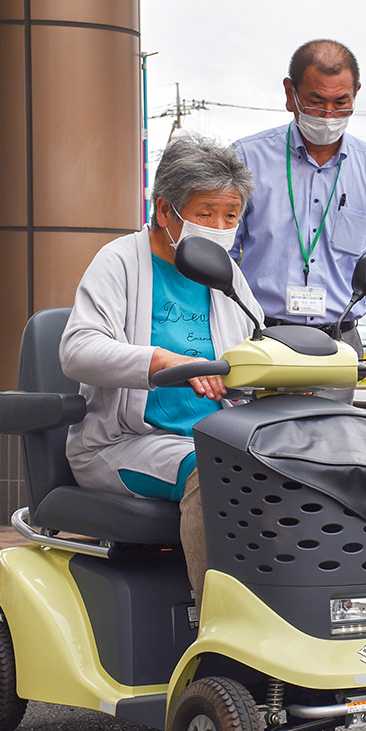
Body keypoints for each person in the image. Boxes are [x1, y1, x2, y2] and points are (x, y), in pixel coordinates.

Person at [59, 133, 264, 605]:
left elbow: (257, 345)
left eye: (230, 215)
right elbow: (77, 349)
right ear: (165, 210)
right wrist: (162, 360)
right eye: (205, 213)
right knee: (214, 472)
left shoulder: (224, 273)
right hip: (128, 442)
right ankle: (224, 625)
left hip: (218, 435)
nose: (219, 226)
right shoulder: (119, 261)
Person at [230, 39, 366, 409]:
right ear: (289, 93)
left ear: (356, 94)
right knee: (251, 453)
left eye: (341, 102)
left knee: (325, 454)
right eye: (315, 101)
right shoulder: (246, 159)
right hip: (259, 340)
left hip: (337, 348)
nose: (328, 115)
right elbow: (222, 254)